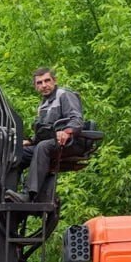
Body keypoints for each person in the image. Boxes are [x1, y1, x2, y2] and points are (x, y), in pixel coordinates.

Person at [9, 67, 84, 202]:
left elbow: (76, 119)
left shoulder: (64, 95)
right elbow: (44, 131)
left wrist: (67, 132)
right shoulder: (43, 105)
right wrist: (30, 142)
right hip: (49, 143)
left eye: (47, 81)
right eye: (39, 83)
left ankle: (28, 194)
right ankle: (8, 192)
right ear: (35, 86)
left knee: (42, 147)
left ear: (54, 81)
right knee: (18, 153)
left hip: (70, 142)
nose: (44, 85)